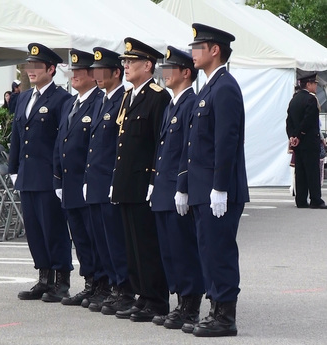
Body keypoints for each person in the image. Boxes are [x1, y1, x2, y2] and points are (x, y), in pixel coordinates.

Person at [176, 23, 249, 337]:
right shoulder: (208, 87)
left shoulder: (225, 87)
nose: (192, 52)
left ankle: (225, 316)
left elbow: (226, 141)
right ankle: (216, 308)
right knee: (207, 249)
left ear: (214, 50)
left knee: (219, 250)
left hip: (219, 189)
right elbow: (194, 144)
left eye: (198, 46)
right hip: (202, 188)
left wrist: (220, 186)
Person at [110, 37, 171, 322]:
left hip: (143, 181)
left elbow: (160, 142)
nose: (125, 66)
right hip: (125, 181)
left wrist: (154, 180)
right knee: (131, 244)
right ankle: (141, 295)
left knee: (147, 244)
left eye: (130, 62)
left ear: (147, 65)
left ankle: (156, 299)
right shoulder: (127, 96)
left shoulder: (158, 97)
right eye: (124, 61)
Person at [8, 43, 73, 302]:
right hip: (27, 174)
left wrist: (58, 175)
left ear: (51, 69)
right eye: (28, 65)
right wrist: (13, 168)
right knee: (34, 229)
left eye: (36, 66)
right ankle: (44, 278)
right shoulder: (24, 97)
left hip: (47, 175)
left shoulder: (61, 99)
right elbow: (16, 135)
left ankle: (61, 280)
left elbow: (62, 142)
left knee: (53, 228)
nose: (30, 70)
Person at [149, 46, 204, 330]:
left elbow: (187, 149)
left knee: (183, 249)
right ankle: (179, 301)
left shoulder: (191, 102)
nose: (165, 73)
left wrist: (182, 185)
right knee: (169, 250)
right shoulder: (173, 103)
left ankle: (190, 304)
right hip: (162, 188)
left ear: (186, 72)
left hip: (176, 189)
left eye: (171, 68)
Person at [51, 49, 104, 305]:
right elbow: (61, 141)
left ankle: (101, 284)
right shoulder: (72, 103)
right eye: (73, 71)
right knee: (80, 238)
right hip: (70, 183)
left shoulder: (98, 102)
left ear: (93, 75)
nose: (74, 75)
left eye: (80, 71)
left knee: (94, 237)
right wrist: (58, 177)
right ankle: (90, 282)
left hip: (87, 183)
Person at [81, 47, 132, 314]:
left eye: (102, 71)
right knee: (101, 239)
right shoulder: (102, 100)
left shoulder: (123, 99)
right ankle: (113, 286)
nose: (97, 75)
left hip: (111, 182)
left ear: (116, 72)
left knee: (115, 239)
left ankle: (124, 289)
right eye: (95, 71)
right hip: (96, 181)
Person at [286, 72, 327, 208]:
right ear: (308, 84)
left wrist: (292, 136)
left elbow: (289, 121)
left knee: (301, 171)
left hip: (298, 142)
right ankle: (316, 199)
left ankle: (301, 200)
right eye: (314, 83)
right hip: (308, 141)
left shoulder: (294, 99)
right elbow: (309, 120)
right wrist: (300, 135)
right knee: (312, 171)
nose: (316, 86)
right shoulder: (311, 99)